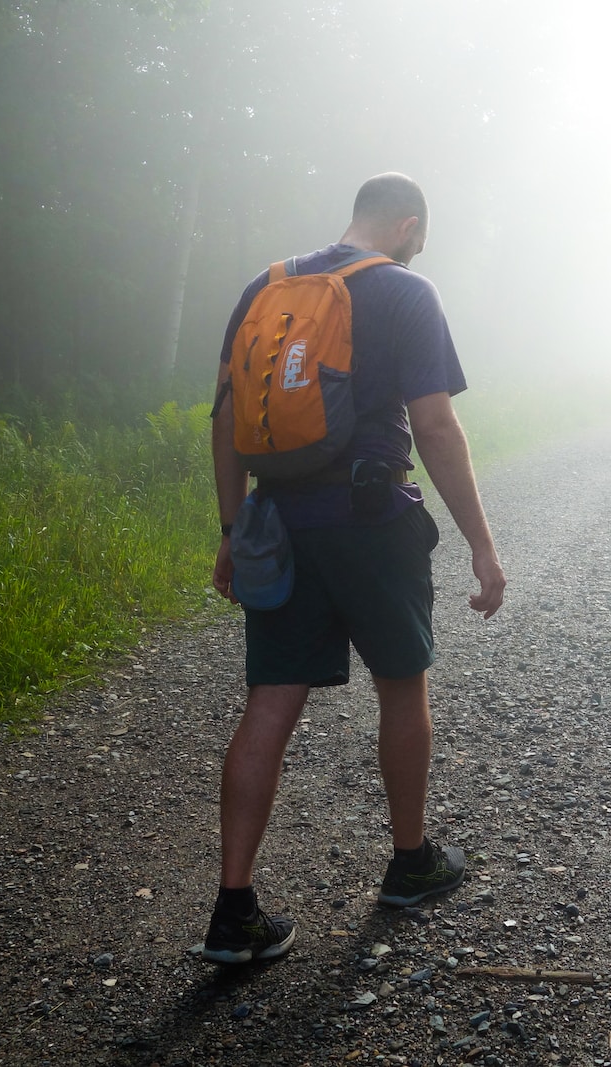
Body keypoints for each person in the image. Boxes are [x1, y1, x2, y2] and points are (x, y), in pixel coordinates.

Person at [201, 172, 505, 964]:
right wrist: (480, 541)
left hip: (280, 523)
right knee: (402, 684)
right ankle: (410, 862)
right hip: (372, 522)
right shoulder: (405, 293)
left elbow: (230, 418)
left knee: (268, 703)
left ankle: (233, 910)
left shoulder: (266, 288)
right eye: (419, 239)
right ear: (406, 225)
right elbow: (436, 426)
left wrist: (233, 530)